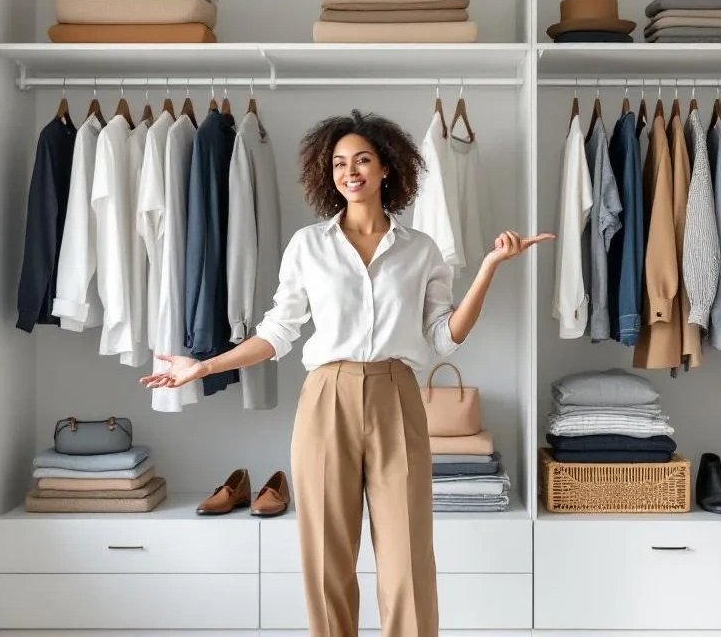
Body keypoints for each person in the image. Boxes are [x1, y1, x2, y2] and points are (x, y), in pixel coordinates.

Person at [141, 110, 551, 637]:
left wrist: (490, 268)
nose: (349, 171)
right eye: (338, 163)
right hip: (326, 397)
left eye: (362, 159)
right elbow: (278, 332)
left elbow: (446, 336)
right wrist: (205, 366)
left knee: (407, 559)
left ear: (387, 169)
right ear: (327, 173)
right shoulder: (308, 245)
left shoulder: (420, 248)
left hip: (397, 394)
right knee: (327, 558)